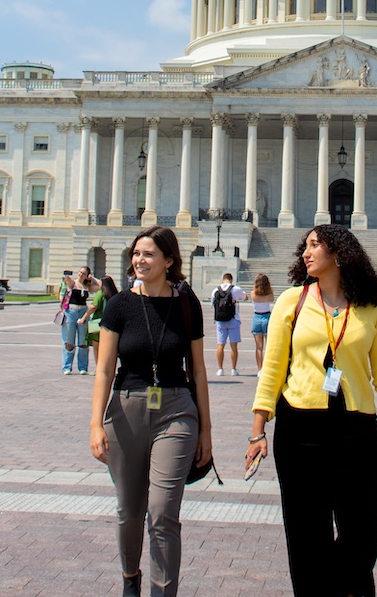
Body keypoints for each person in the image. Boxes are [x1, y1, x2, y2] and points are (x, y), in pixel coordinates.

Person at [246, 225, 377, 597]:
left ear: (339, 253)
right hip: (299, 426)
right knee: (306, 532)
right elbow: (272, 369)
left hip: (356, 428)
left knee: (364, 529)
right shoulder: (291, 300)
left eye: (315, 245)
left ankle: (341, 585)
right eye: (305, 246)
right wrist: (258, 430)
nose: (306, 252)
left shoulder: (372, 305)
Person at [90, 226, 212, 597]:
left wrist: (206, 429)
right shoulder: (120, 305)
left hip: (176, 409)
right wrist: (95, 424)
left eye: (148, 255)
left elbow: (199, 369)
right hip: (127, 407)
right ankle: (131, 577)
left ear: (169, 261)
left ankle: (162, 592)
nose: (138, 261)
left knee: (162, 512)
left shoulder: (187, 303)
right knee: (129, 511)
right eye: (136, 254)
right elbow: (105, 369)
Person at [211, 272, 248, 376]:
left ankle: (220, 369)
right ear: (231, 280)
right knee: (233, 346)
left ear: (223, 280)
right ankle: (233, 369)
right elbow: (245, 297)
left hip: (220, 320)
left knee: (220, 345)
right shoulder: (236, 289)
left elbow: (212, 304)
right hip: (233, 319)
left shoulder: (215, 290)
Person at [62, 265, 92, 374]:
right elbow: (69, 282)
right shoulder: (73, 284)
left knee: (83, 341)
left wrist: (91, 279)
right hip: (71, 312)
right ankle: (67, 367)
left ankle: (83, 367)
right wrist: (67, 277)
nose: (80, 274)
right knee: (69, 340)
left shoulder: (87, 286)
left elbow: (100, 286)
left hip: (83, 312)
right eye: (80, 272)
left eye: (83, 273)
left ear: (87, 275)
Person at [86, 274, 117, 370]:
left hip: (99, 324)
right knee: (109, 348)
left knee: (97, 347)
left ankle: (99, 368)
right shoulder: (115, 294)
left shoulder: (100, 293)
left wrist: (84, 318)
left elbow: (94, 306)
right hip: (112, 324)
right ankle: (109, 367)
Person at [249, 273, 275, 372]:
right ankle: (269, 368)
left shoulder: (253, 294)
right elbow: (272, 299)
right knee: (269, 346)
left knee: (259, 347)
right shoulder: (269, 294)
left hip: (257, 317)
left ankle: (260, 369)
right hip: (267, 317)